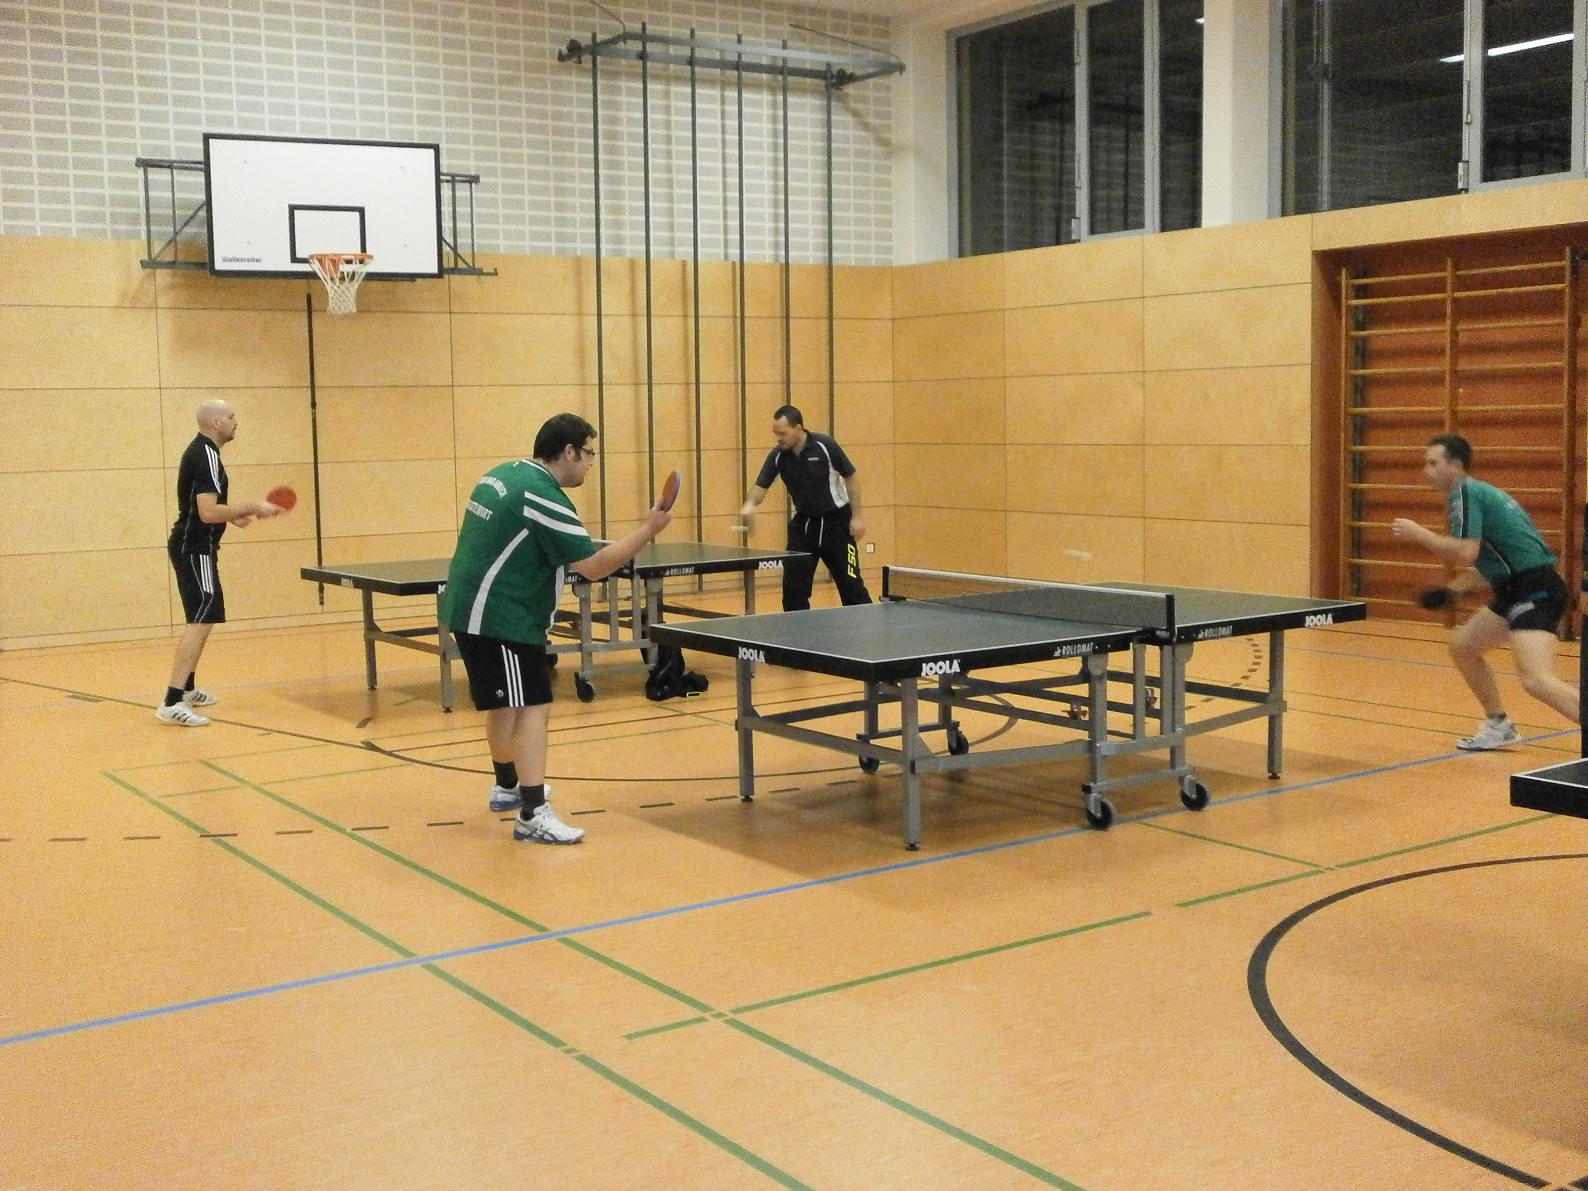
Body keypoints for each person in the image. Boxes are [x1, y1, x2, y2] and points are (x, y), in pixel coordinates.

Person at [440, 413, 671, 845]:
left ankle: (507, 787)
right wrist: (649, 529)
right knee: (533, 706)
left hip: (469, 607)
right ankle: (533, 813)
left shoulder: (504, 474)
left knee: (505, 705)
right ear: (569, 452)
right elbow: (593, 567)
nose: (590, 463)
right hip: (502, 618)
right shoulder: (543, 495)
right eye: (589, 454)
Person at [1391, 433, 1579, 750]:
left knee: (1537, 680)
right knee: (1463, 646)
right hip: (1514, 589)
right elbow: (1492, 561)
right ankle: (1498, 724)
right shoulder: (1481, 493)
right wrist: (1453, 591)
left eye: (1433, 463)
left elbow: (1466, 551)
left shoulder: (1465, 493)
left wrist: (1420, 534)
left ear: (1455, 465)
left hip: (1535, 590)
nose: (1426, 471)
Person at [157, 400, 282, 726]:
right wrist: (252, 507)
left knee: (204, 617)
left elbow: (205, 508)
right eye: (231, 416)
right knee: (200, 619)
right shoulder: (206, 455)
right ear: (215, 422)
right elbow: (208, 512)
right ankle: (172, 701)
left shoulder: (204, 452)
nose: (236, 421)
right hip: (194, 548)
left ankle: (187, 688)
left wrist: (233, 516)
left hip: (198, 547)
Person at [738, 404, 872, 611]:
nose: (778, 438)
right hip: (804, 526)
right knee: (793, 592)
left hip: (837, 524)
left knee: (851, 586)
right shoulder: (778, 456)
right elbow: (759, 488)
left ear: (798, 429)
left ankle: (867, 627)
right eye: (775, 433)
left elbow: (851, 477)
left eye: (782, 433)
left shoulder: (825, 445)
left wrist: (857, 517)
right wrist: (748, 504)